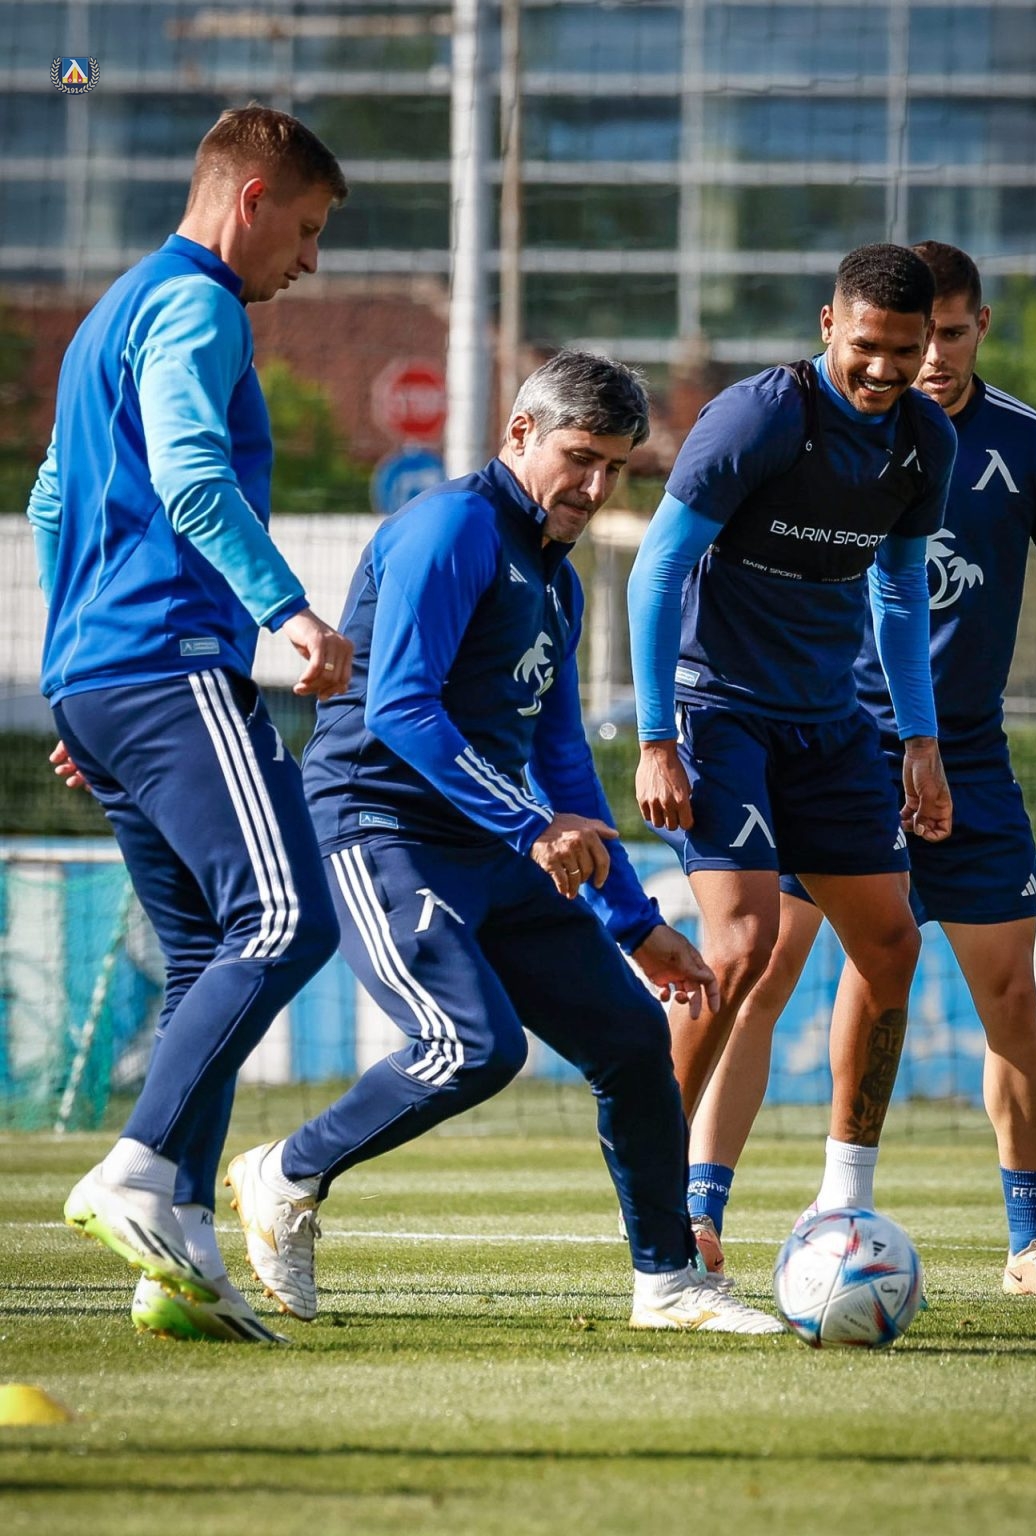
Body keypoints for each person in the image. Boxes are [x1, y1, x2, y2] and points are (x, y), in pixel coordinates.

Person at [224, 351, 784, 1335]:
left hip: (489, 841)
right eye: (581, 458)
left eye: (617, 467)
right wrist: (531, 829)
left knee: (631, 1041)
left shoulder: (556, 585)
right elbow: (400, 708)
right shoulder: (451, 529)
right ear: (520, 434)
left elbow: (561, 759)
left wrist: (634, 924)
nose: (596, 487)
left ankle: (669, 1283)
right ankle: (285, 1173)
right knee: (473, 1047)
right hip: (377, 828)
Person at [684, 241, 1036, 1296]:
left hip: (966, 758)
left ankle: (1030, 1246)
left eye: (947, 335)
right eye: (911, 339)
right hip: (827, 743)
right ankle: (703, 1212)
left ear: (979, 327)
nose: (927, 358)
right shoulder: (818, 424)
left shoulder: (1024, 447)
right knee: (760, 971)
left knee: (1010, 995)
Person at [27, 105, 355, 1344]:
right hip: (170, 664)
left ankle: (182, 1255)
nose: (309, 261)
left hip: (103, 676)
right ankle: (135, 1172)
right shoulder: (201, 304)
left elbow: (53, 501)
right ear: (251, 198)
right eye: (307, 230)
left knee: (206, 953)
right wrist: (289, 611)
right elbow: (192, 477)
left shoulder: (109, 313)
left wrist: (74, 663)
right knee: (287, 917)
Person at [627, 244, 959, 1276]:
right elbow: (658, 567)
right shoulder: (759, 418)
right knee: (740, 949)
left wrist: (920, 738)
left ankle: (844, 1201)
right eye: (866, 346)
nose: (884, 369)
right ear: (828, 325)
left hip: (829, 725)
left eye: (905, 350)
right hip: (718, 712)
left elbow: (898, 591)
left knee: (891, 945)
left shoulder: (926, 441)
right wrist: (655, 738)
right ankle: (660, 1211)